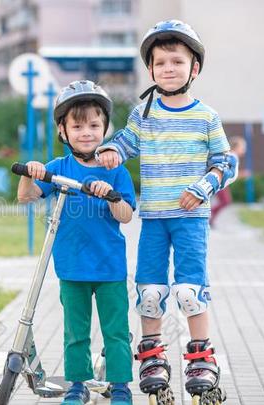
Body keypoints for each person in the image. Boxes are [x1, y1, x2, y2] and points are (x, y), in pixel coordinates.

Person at [96, 20, 237, 400]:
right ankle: (153, 355)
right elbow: (125, 143)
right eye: (160, 63)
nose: (168, 69)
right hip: (154, 219)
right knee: (151, 291)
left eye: (176, 61)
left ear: (194, 68)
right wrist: (110, 151)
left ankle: (201, 357)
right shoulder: (144, 113)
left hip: (191, 218)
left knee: (191, 290)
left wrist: (203, 186)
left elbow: (226, 163)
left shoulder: (206, 116)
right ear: (151, 69)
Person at [17, 80, 136, 405]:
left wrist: (109, 195)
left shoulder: (117, 171)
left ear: (105, 128)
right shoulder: (59, 168)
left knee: (115, 332)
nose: (87, 132)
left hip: (110, 267)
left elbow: (126, 215)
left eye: (94, 125)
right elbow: (26, 197)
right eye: (78, 125)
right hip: (71, 267)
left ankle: (121, 386)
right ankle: (78, 384)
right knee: (75, 333)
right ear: (62, 130)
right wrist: (31, 172)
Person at [209, 135, 247, 227]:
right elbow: (228, 173)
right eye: (243, 147)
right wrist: (242, 175)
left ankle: (211, 218)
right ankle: (210, 216)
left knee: (226, 201)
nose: (244, 150)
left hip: (223, 183)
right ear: (236, 147)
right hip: (221, 182)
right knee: (226, 201)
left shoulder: (232, 156)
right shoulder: (232, 157)